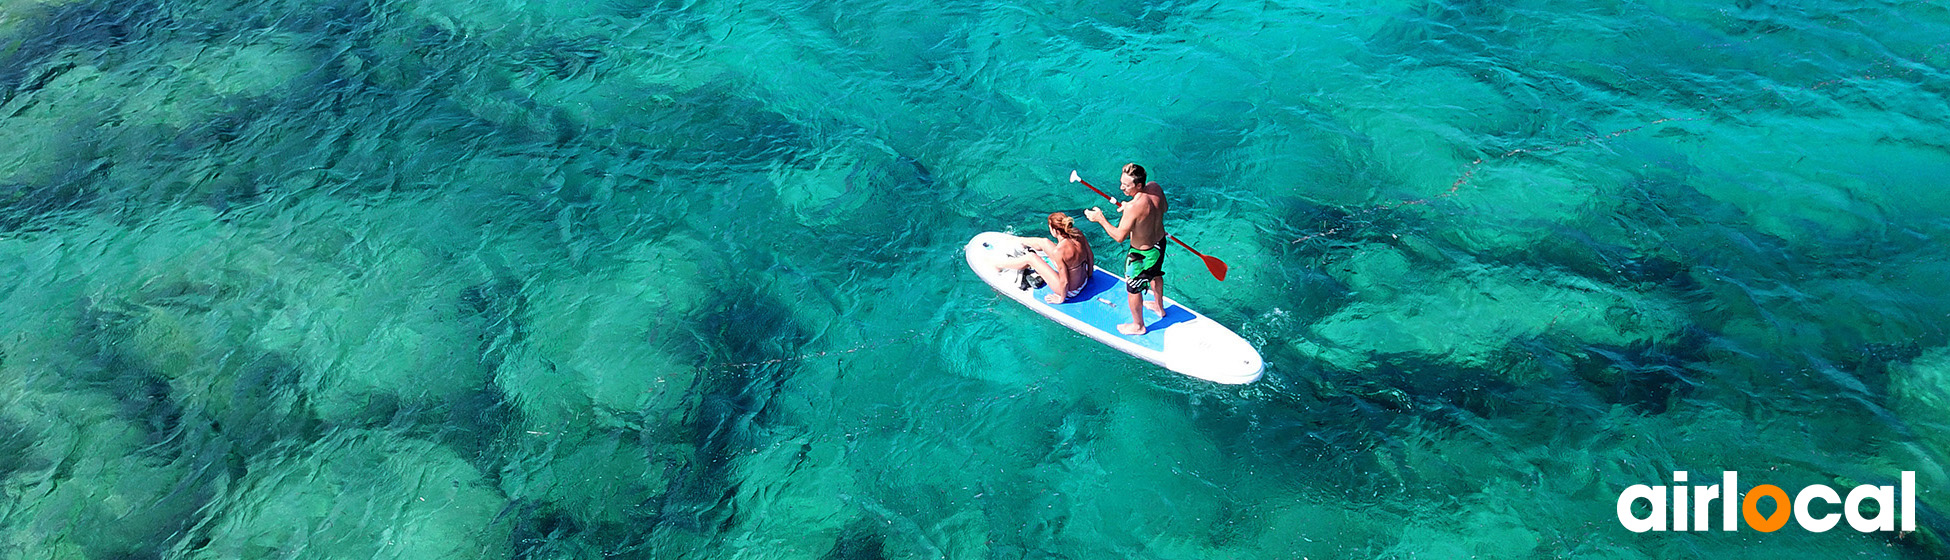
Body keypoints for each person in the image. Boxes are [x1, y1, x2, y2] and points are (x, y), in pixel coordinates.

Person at [1084, 163, 1167, 335]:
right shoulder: (1155, 188)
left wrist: (1100, 219)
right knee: (1156, 274)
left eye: (1126, 185)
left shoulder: (1132, 208)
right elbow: (1163, 208)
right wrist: (1138, 216)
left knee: (1133, 289)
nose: (1121, 187)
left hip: (1141, 255)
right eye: (1121, 183)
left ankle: (1138, 325)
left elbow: (1119, 237)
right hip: (1160, 243)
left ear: (1138, 185)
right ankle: (1160, 308)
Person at [986, 212, 1095, 304]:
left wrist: (1061, 298)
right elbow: (1090, 256)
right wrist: (1089, 275)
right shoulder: (1078, 234)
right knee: (1044, 242)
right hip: (1084, 278)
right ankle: (1019, 241)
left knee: (1031, 258)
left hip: (1071, 290)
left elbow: (1065, 281)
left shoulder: (1059, 251)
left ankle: (998, 265)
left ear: (1055, 231)